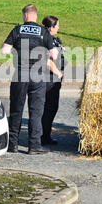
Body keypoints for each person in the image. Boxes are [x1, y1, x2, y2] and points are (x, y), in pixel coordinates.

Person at [0, 4, 57, 155]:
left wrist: (14, 49)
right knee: (36, 112)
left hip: (20, 74)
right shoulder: (43, 32)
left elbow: (4, 50)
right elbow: (54, 55)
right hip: (37, 75)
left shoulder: (17, 30)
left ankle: (12, 144)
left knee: (16, 110)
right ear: (35, 16)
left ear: (25, 16)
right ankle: (34, 146)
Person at [40, 16, 66, 146]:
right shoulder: (46, 40)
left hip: (53, 79)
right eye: (57, 26)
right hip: (49, 79)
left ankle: (45, 134)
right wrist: (58, 73)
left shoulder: (50, 39)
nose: (58, 28)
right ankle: (43, 136)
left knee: (51, 108)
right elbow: (46, 61)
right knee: (48, 108)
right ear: (51, 27)